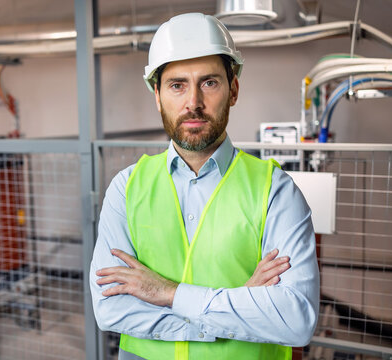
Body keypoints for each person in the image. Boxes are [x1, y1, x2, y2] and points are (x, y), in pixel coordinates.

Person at [90, 12, 319, 360]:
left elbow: (295, 319)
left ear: (233, 90)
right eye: (177, 85)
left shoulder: (275, 191)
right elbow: (111, 311)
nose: (193, 102)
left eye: (209, 82)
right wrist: (237, 307)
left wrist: (168, 293)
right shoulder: (126, 188)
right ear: (158, 95)